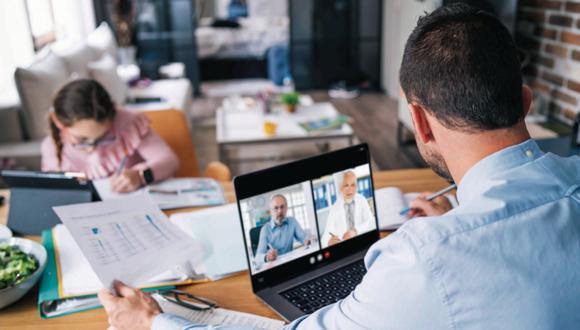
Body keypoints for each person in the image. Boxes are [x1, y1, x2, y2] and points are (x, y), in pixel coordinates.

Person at [98, 4, 580, 329]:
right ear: (524, 100)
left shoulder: (423, 260)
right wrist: (459, 216)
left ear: (419, 123)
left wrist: (153, 321)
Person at [41, 79, 179, 192]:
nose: (92, 149)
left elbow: (169, 160)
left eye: (103, 137)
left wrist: (140, 176)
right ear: (58, 122)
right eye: (82, 140)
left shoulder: (129, 123)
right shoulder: (51, 148)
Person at [321, 171, 374, 247]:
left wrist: (356, 231)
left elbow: (371, 222)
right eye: (346, 185)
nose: (350, 189)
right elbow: (326, 234)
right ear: (340, 188)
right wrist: (329, 242)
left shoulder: (362, 200)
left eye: (353, 185)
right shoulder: (335, 208)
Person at [254, 194, 310, 264]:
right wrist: (267, 257)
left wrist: (308, 241)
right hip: (274, 266)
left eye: (282, 207)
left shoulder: (292, 221)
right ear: (271, 211)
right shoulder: (265, 229)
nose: (280, 211)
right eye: (276, 208)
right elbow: (257, 257)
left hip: (290, 262)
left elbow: (304, 238)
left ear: (286, 208)